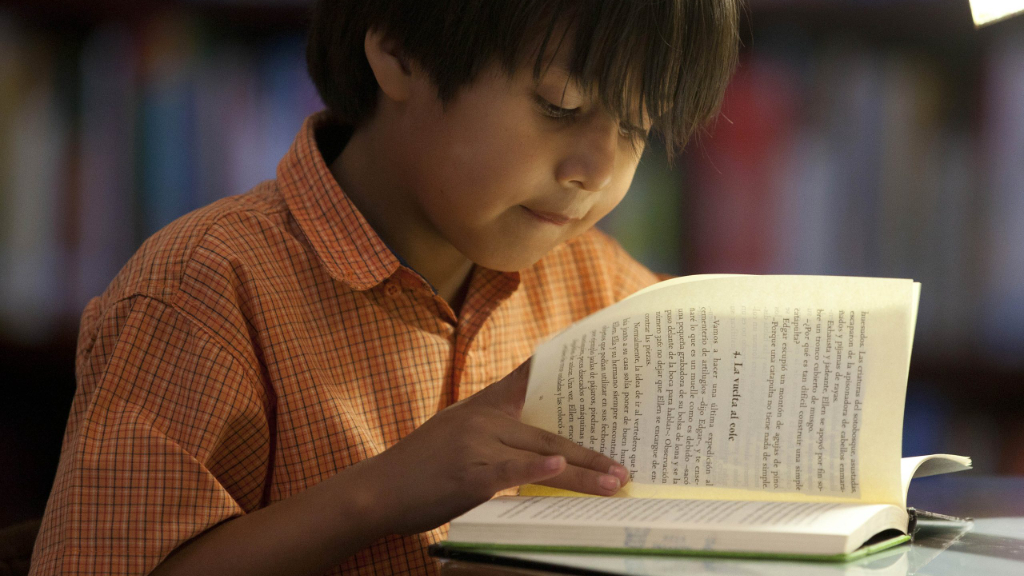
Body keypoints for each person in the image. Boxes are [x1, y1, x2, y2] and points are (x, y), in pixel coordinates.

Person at [30, 1, 739, 574]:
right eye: (560, 106)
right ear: (399, 50)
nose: (597, 169)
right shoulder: (205, 289)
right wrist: (381, 494)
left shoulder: (608, 290)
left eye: (638, 129)